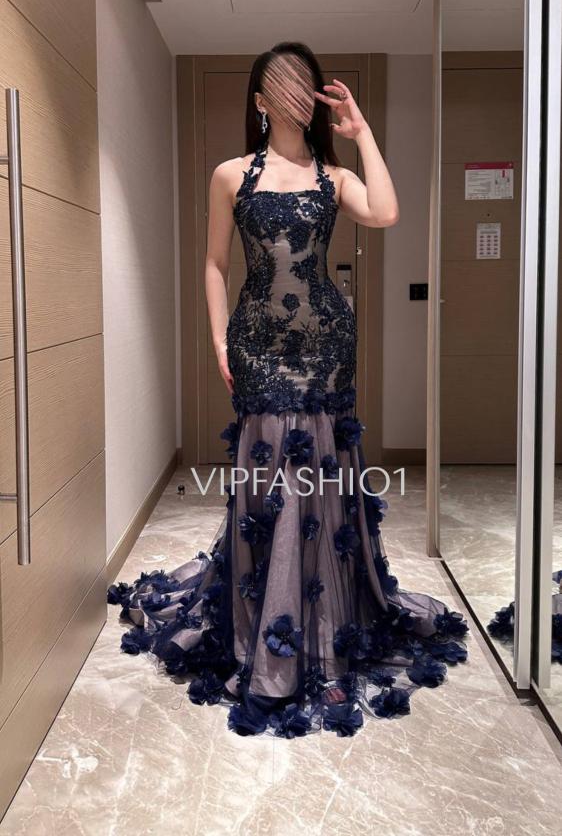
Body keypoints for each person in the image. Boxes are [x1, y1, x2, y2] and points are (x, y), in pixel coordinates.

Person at [107, 41, 469, 739]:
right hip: (257, 343)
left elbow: (386, 211)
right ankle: (263, 625)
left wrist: (361, 133)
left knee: (322, 476)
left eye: (306, 83)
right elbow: (214, 264)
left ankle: (328, 625)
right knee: (269, 473)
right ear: (260, 100)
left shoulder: (335, 176)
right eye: (282, 83)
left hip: (326, 344)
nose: (296, 93)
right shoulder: (229, 175)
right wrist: (219, 340)